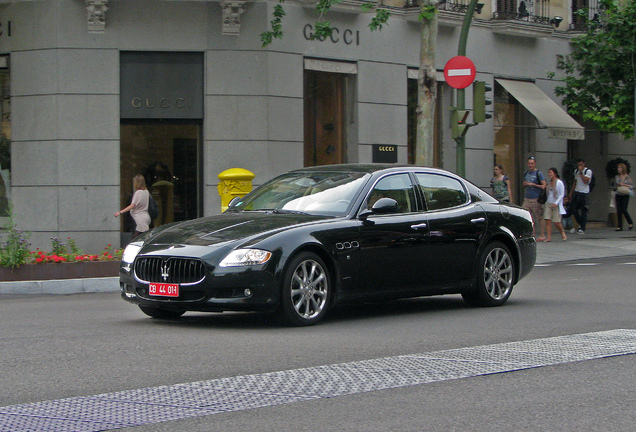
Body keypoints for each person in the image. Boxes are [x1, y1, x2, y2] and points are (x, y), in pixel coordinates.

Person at [115, 174, 151, 238]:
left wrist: (120, 212)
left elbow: (132, 206)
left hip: (138, 217)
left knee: (136, 237)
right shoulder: (146, 192)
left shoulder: (138, 193)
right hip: (146, 216)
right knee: (143, 237)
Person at [522, 157, 547, 240]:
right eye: (529, 163)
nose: (530, 165)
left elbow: (544, 185)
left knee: (539, 216)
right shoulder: (526, 173)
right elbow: (524, 183)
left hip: (536, 198)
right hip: (527, 198)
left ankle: (542, 234)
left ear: (535, 164)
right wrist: (525, 184)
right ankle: (531, 233)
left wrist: (533, 184)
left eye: (532, 163)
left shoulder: (538, 173)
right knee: (525, 215)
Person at [543, 167, 567, 241]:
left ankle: (562, 232)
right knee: (548, 220)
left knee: (556, 222)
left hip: (556, 204)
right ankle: (549, 237)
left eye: (551, 172)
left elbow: (562, 194)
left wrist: (556, 203)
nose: (549, 174)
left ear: (555, 174)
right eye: (549, 172)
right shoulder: (549, 183)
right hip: (548, 203)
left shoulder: (559, 182)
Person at [568, 158, 592, 234]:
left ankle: (582, 227)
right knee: (573, 209)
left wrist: (581, 172)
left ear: (584, 164)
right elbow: (575, 182)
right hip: (577, 192)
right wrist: (571, 192)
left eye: (581, 164)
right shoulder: (576, 171)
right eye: (578, 165)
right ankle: (580, 223)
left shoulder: (588, 171)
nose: (579, 166)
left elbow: (585, 181)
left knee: (583, 210)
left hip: (584, 192)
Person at [614, 162, 633, 231]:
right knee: (618, 210)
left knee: (624, 209)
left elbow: (631, 185)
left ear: (623, 168)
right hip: (618, 193)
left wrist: (623, 184)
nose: (618, 169)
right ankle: (619, 226)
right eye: (618, 168)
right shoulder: (617, 177)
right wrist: (618, 184)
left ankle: (630, 222)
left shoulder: (627, 177)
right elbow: (615, 184)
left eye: (620, 167)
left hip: (625, 194)